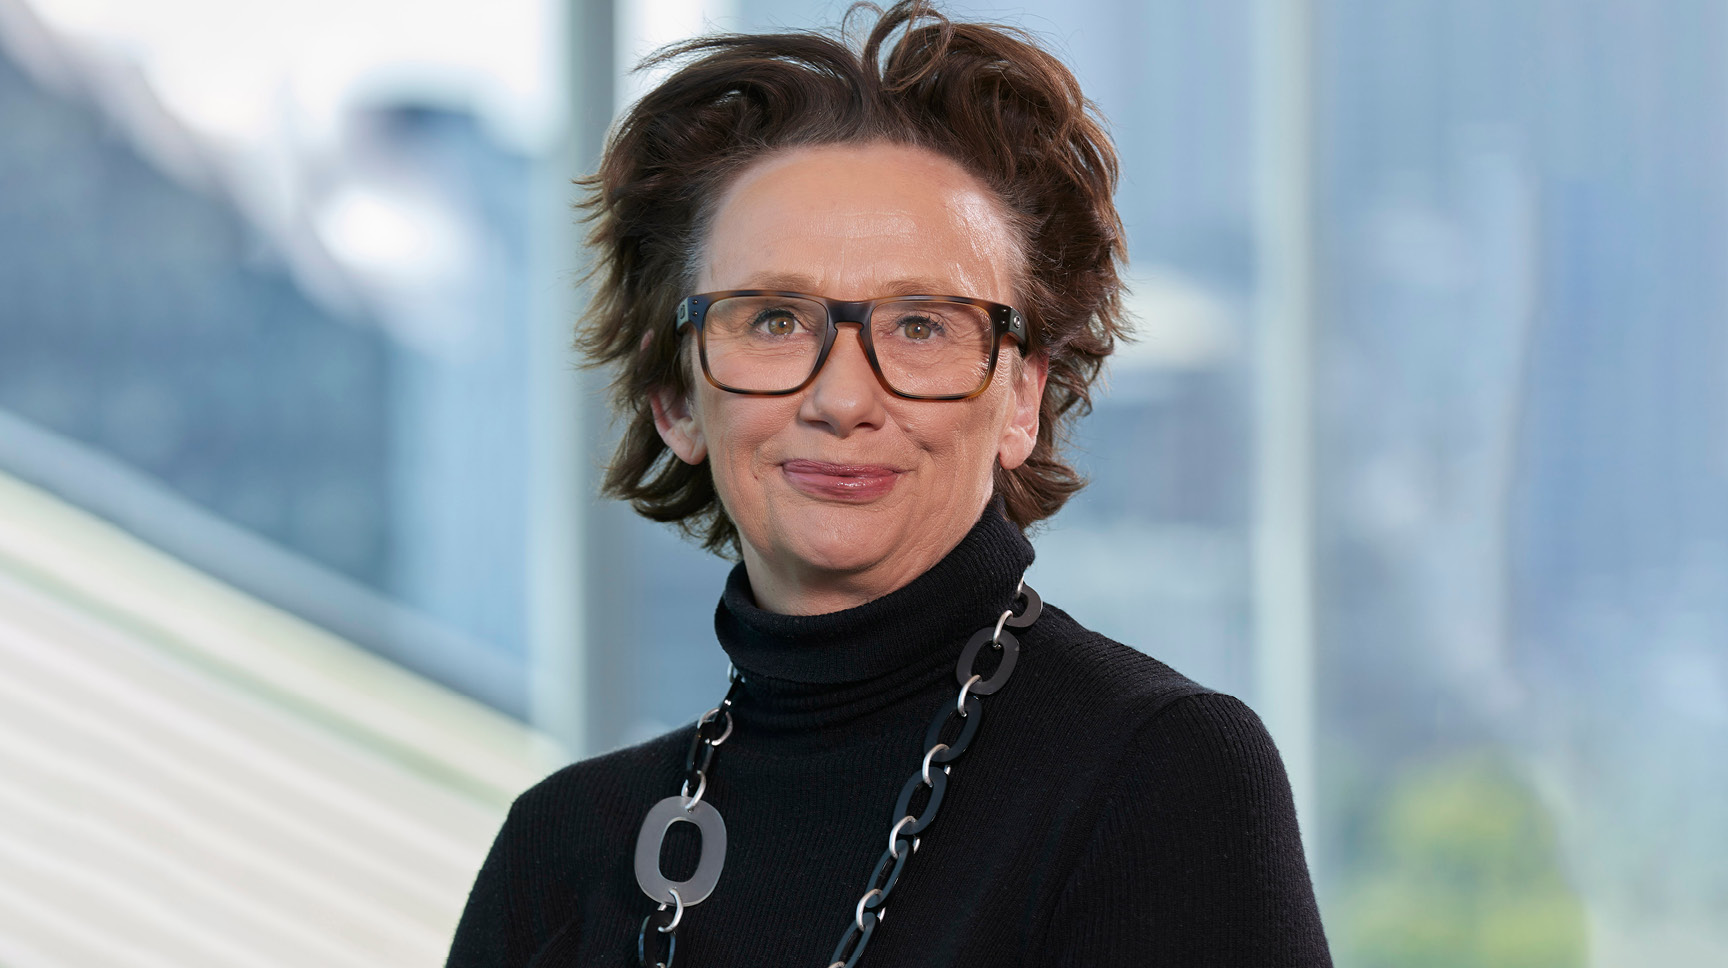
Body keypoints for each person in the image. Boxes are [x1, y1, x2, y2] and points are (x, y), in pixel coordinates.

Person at [447, 3, 1332, 965]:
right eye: (774, 320)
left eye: (921, 325)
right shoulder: (564, 847)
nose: (842, 398)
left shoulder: (1159, 774)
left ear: (1022, 399)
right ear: (675, 399)